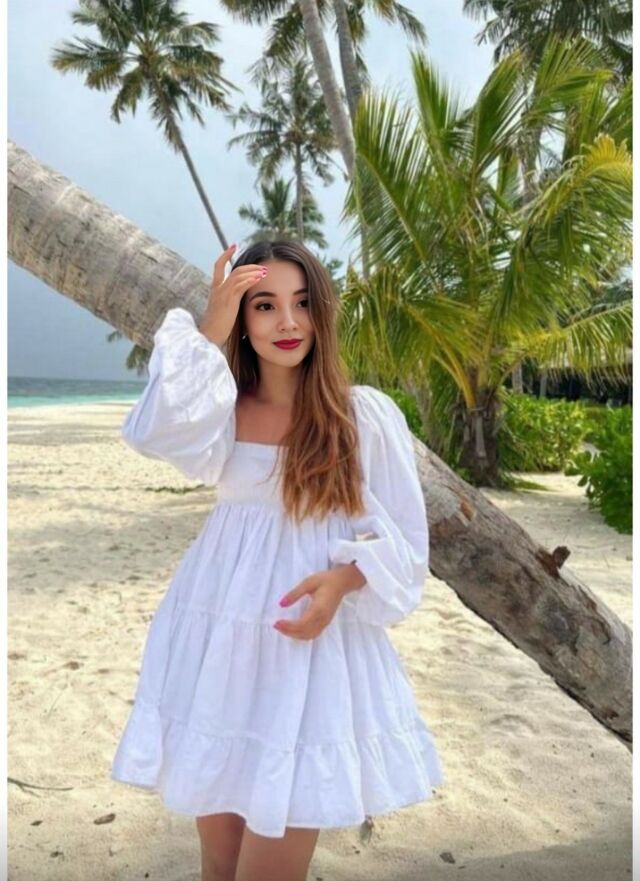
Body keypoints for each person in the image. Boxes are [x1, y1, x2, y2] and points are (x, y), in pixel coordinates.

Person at [111, 239, 445, 881]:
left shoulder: (359, 415)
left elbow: (405, 540)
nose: (287, 322)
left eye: (302, 302)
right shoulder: (220, 409)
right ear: (243, 318)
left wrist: (344, 580)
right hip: (219, 640)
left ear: (322, 312)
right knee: (219, 863)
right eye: (264, 305)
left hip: (308, 652)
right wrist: (211, 325)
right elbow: (152, 430)